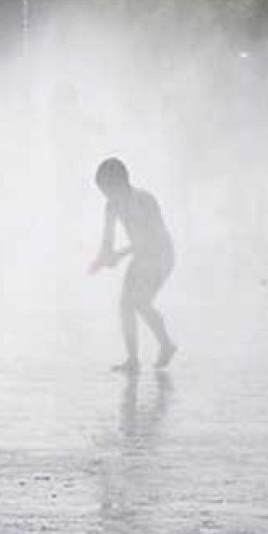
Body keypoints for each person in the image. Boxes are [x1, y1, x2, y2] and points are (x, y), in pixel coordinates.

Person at [90, 158, 177, 373]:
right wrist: (103, 258)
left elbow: (151, 239)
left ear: (120, 182)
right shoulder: (111, 206)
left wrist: (119, 255)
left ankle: (166, 345)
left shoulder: (144, 200)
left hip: (162, 254)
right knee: (125, 304)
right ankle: (133, 360)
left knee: (139, 301)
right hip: (141, 256)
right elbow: (107, 241)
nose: (105, 195)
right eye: (102, 190)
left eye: (107, 189)